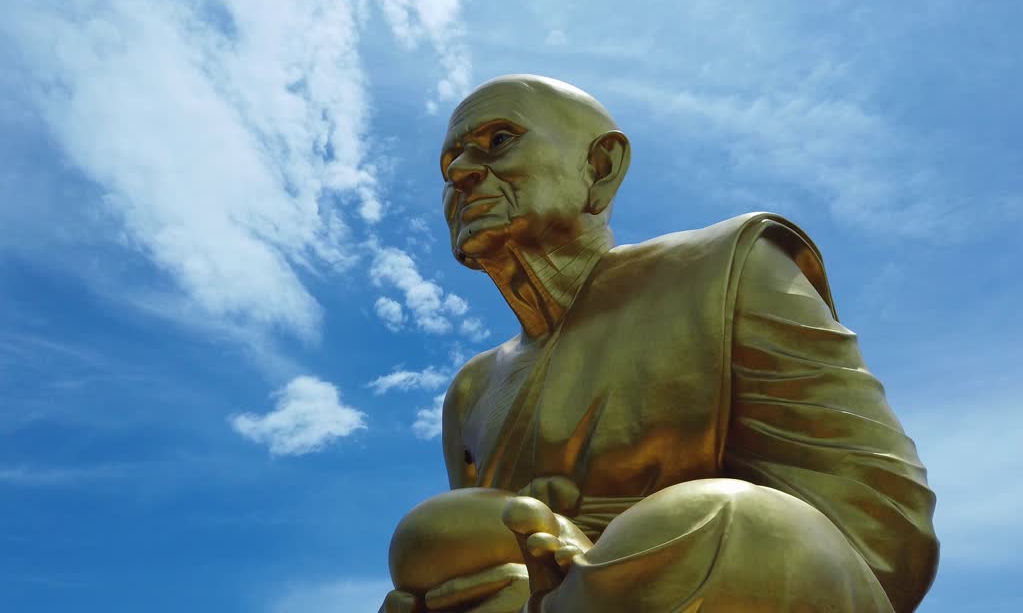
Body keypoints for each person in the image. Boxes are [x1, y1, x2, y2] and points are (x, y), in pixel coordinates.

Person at [380, 75, 938, 613]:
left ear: (600, 167)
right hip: (546, 582)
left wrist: (601, 569)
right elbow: (482, 546)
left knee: (730, 520)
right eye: (449, 165)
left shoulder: (726, 268)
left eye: (497, 142)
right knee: (429, 534)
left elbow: (880, 522)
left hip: (699, 570)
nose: (461, 174)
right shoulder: (472, 391)